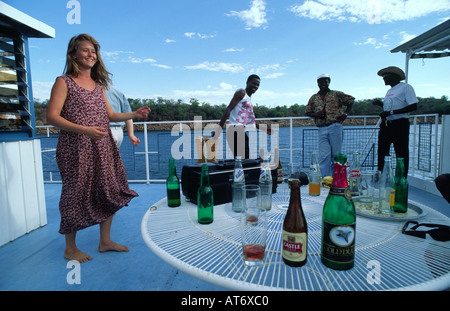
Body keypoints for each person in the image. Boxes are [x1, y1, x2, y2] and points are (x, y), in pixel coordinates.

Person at [46, 34, 150, 263]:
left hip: (102, 145)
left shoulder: (98, 85)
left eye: (93, 51)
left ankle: (105, 241)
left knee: (109, 188)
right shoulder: (63, 82)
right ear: (74, 54)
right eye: (85, 50)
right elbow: (51, 117)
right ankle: (70, 248)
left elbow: (110, 115)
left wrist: (134, 114)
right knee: (75, 193)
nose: (91, 54)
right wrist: (84, 130)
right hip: (75, 147)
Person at [305, 74, 354, 177]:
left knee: (336, 155)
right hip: (321, 129)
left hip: (335, 126)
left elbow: (351, 100)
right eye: (321, 82)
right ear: (317, 83)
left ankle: (337, 179)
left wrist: (345, 114)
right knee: (324, 155)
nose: (323, 84)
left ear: (329, 82)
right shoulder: (314, 98)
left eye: (325, 81)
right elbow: (308, 112)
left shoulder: (336, 94)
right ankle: (325, 180)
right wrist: (316, 115)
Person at [372, 66, 418, 176]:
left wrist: (391, 113)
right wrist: (380, 105)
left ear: (394, 76)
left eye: (386, 76)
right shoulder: (389, 91)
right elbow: (389, 108)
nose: (384, 79)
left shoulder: (405, 87)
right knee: (382, 151)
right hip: (387, 124)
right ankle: (382, 176)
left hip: (400, 124)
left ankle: (401, 178)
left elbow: (413, 106)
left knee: (401, 153)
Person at [216, 74, 271, 159]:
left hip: (241, 131)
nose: (255, 86)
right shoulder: (241, 93)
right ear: (247, 82)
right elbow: (228, 110)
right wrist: (218, 131)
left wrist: (262, 127)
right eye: (254, 83)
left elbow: (247, 121)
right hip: (235, 131)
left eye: (257, 85)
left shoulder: (248, 98)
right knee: (242, 160)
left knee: (243, 159)